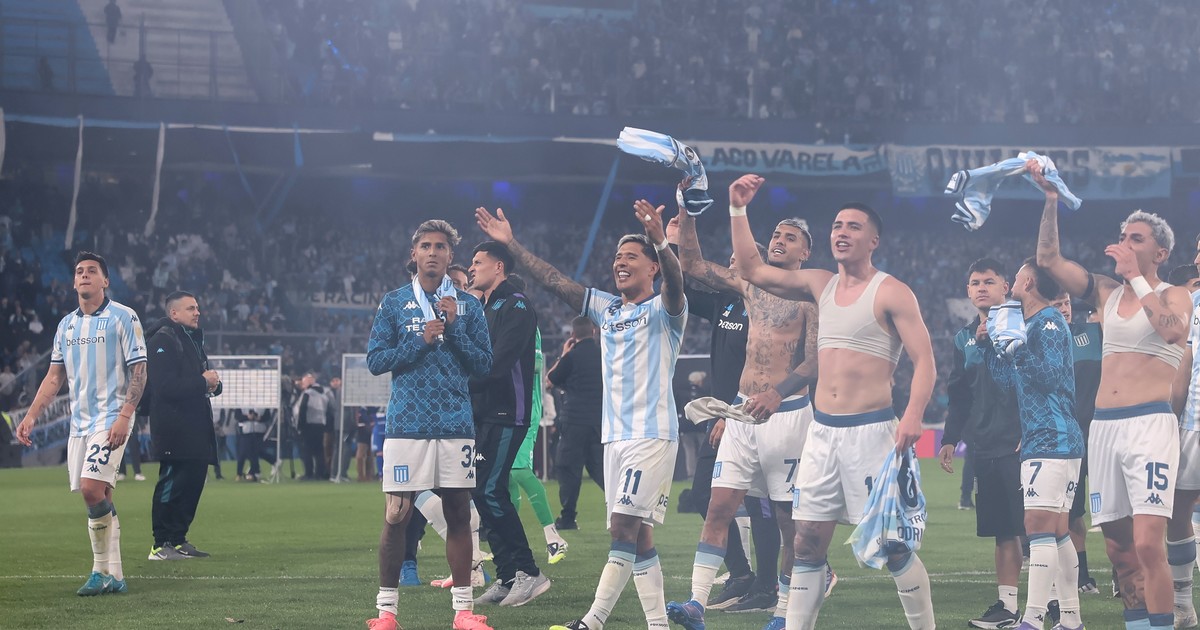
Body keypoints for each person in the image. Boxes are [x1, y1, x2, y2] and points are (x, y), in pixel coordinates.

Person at [728, 175, 937, 630]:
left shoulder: (892, 291)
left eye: (853, 226)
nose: (842, 232)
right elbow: (752, 270)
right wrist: (738, 209)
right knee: (805, 543)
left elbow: (925, 361)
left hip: (872, 433)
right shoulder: (819, 283)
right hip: (821, 434)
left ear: (873, 240)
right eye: (837, 225)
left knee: (894, 546)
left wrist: (914, 415)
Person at [476, 197, 687, 630]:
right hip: (615, 438)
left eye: (631, 256)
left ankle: (593, 621)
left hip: (651, 434)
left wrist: (662, 242)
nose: (620, 262)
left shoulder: (665, 310)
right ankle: (658, 624)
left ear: (652, 267)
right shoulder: (607, 309)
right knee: (638, 535)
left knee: (623, 527)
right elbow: (554, 280)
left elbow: (677, 283)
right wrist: (511, 244)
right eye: (617, 257)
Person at [1033, 162, 1191, 630]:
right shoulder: (1105, 292)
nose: (1125, 244)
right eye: (1123, 236)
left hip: (1149, 426)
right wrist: (1051, 200)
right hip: (1103, 428)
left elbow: (1172, 332)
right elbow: (1048, 260)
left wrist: (1137, 277)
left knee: (1147, 544)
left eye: (1136, 239)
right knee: (1120, 551)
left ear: (1160, 252)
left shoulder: (1175, 294)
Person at [667, 201, 821, 630]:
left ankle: (784, 611)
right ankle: (696, 603)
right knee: (717, 507)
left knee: (788, 520)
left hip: (787, 415)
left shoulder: (810, 294)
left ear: (805, 252)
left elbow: (816, 358)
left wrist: (778, 391)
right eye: (776, 234)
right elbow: (692, 265)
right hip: (740, 412)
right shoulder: (750, 284)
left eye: (791, 237)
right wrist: (688, 210)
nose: (780, 240)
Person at [365, 219, 494, 630]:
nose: (433, 252)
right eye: (426, 246)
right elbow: (375, 360)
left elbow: (484, 365)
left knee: (458, 514)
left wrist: (454, 330)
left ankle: (463, 612)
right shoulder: (393, 302)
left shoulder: (468, 306)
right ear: (414, 254)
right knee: (396, 514)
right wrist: (418, 341)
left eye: (440, 246)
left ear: (451, 255)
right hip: (407, 423)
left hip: (456, 423)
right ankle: (387, 613)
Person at [16, 252, 147, 595]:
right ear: (74, 282)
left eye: (92, 271)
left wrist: (124, 416)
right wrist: (31, 415)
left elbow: (139, 370)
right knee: (100, 494)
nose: (84, 275)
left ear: (106, 281)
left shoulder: (123, 316)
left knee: (90, 489)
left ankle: (98, 571)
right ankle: (116, 576)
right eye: (79, 272)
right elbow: (54, 377)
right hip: (80, 423)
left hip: (111, 416)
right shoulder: (66, 326)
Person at [979, 259, 1086, 630]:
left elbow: (1049, 376)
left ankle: (1033, 619)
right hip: (1047, 438)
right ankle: (1070, 619)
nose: (1012, 283)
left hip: (1052, 437)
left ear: (1027, 282)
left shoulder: (1049, 321)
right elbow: (1011, 382)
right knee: (1056, 531)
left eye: (1017, 277)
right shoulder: (1032, 324)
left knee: (1037, 526)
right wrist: (991, 347)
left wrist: (1018, 349)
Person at [938, 258, 1025, 629]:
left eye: (989, 281)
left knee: (1040, 529)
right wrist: (950, 438)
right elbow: (959, 394)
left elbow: (1037, 380)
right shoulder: (963, 338)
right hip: (985, 446)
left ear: (1006, 287)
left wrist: (1031, 429)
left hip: (1023, 444)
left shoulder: (1025, 325)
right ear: (968, 291)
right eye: (975, 283)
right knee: (1003, 529)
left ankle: (1054, 603)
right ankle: (1008, 606)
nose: (981, 288)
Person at [466, 241, 551, 608]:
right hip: (485, 413)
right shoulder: (486, 307)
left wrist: (459, 383)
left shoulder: (516, 304)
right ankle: (506, 576)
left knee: (489, 489)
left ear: (498, 266)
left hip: (507, 412)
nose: (471, 268)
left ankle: (529, 572)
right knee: (481, 490)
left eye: (477, 262)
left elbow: (498, 364)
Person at [145, 291, 222, 560]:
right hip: (173, 428)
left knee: (192, 484)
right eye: (191, 308)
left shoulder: (191, 339)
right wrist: (203, 382)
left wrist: (214, 384)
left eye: (197, 307)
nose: (197, 312)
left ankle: (178, 539)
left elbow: (199, 379)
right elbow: (164, 387)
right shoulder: (162, 340)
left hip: (196, 426)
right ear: (174, 313)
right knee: (171, 484)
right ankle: (160, 544)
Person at [1050, 292, 1104, 597]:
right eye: (1056, 304)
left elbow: (1107, 304)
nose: (1064, 309)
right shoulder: (1039, 341)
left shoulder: (1092, 333)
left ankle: (1122, 575)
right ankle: (1082, 574)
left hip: (1102, 435)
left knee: (1117, 511)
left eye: (1067, 303)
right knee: (1072, 512)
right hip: (1066, 438)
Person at [507, 315, 571, 565]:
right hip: (504, 410)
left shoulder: (524, 322)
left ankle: (553, 537)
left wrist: (501, 357)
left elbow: (535, 364)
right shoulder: (497, 317)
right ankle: (509, 540)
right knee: (505, 476)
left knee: (519, 470)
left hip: (525, 410)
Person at [1167, 234, 1200, 627]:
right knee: (1178, 508)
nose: (1198, 259)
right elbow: (1183, 368)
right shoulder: (1192, 305)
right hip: (1194, 421)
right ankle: (1183, 606)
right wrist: (1170, 421)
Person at [547, 316, 605, 531]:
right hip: (599, 422)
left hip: (573, 422)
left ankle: (568, 517)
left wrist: (564, 354)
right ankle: (623, 509)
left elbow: (551, 379)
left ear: (573, 335)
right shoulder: (604, 355)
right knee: (601, 470)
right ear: (594, 332)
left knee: (569, 470)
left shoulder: (571, 357)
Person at [293, 372, 334, 480]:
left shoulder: (308, 393)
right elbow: (330, 410)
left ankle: (309, 473)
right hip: (321, 424)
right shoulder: (324, 393)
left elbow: (302, 410)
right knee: (319, 451)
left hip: (308, 424)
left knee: (307, 450)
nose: (302, 385)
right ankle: (319, 473)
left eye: (303, 383)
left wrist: (300, 426)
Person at [236, 409, 270, 482]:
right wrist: (247, 417)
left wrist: (259, 418)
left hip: (259, 432)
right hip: (246, 432)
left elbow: (267, 416)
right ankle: (240, 474)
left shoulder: (263, 405)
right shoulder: (242, 405)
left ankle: (254, 473)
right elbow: (237, 416)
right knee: (243, 453)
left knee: (256, 454)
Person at [116, 413, 147, 481]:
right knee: (120, 450)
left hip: (132, 426)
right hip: (119, 426)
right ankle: (121, 472)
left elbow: (137, 411)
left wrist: (142, 426)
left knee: (134, 449)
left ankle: (138, 472)